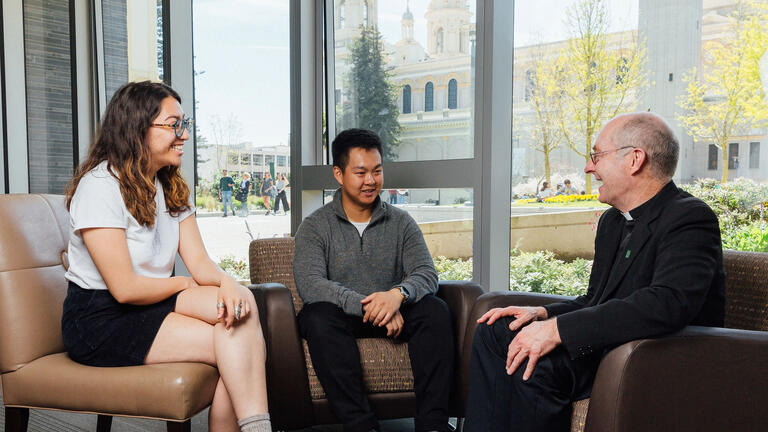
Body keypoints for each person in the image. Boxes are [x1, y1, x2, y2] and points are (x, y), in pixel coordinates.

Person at [464, 112, 725, 432]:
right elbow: (596, 299)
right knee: (496, 331)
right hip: (607, 345)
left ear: (634, 160)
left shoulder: (690, 218)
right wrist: (542, 313)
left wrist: (557, 330)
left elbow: (667, 304)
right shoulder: (613, 221)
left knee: (535, 365)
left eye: (597, 156)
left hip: (653, 359)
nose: (589, 167)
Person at [61, 81, 270, 432]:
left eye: (184, 125)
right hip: (100, 318)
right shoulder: (100, 187)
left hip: (152, 302)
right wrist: (183, 284)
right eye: (174, 125)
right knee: (233, 344)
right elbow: (124, 289)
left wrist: (230, 283)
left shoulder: (168, 185)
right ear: (137, 128)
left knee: (240, 307)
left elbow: (200, 264)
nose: (183, 135)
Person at [293, 128, 454, 432]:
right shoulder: (315, 226)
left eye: (377, 171)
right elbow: (311, 284)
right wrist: (371, 307)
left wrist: (397, 295)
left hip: (395, 311)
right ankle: (361, 426)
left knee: (435, 310)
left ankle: (433, 425)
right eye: (361, 172)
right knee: (316, 316)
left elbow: (426, 272)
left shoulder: (401, 222)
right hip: (344, 317)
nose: (371, 180)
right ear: (339, 174)